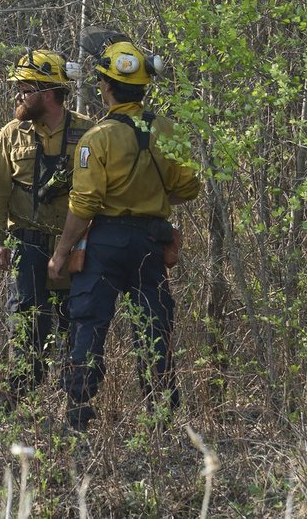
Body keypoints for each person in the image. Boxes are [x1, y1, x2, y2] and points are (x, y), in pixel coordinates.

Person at [47, 35, 200, 432]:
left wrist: (61, 253)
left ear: (107, 87)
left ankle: (78, 417)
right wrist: (151, 191)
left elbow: (83, 206)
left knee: (89, 322)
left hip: (106, 243)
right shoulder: (168, 131)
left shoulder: (95, 139)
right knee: (155, 326)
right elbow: (189, 187)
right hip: (151, 241)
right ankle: (162, 418)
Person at [0, 49, 94, 409]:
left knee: (73, 322)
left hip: (74, 246)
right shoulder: (11, 134)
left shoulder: (88, 131)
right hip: (26, 243)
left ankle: (73, 404)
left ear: (47, 94)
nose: (18, 95)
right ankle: (16, 398)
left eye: (25, 88)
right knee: (26, 320)